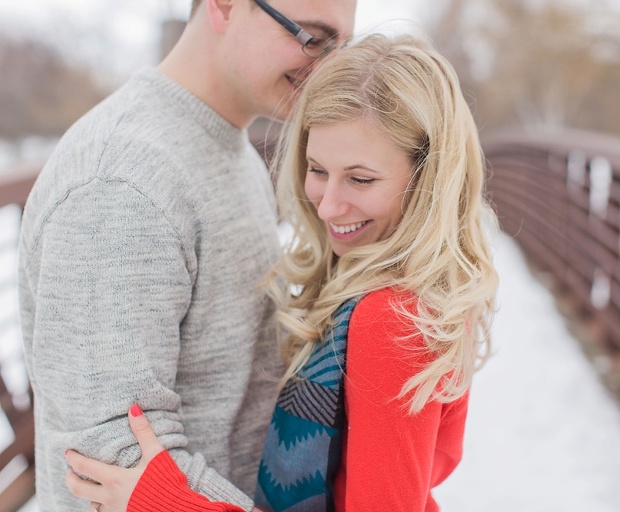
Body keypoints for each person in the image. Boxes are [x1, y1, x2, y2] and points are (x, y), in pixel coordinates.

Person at [64, 32, 499, 511]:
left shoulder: (392, 319)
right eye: (317, 169)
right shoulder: (405, 284)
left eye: (360, 178)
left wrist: (165, 502)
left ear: (429, 179)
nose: (329, 206)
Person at [17, 0, 355, 510]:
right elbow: (117, 463)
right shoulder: (121, 184)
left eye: (340, 48)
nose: (328, 69)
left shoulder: (230, 147)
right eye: (312, 39)